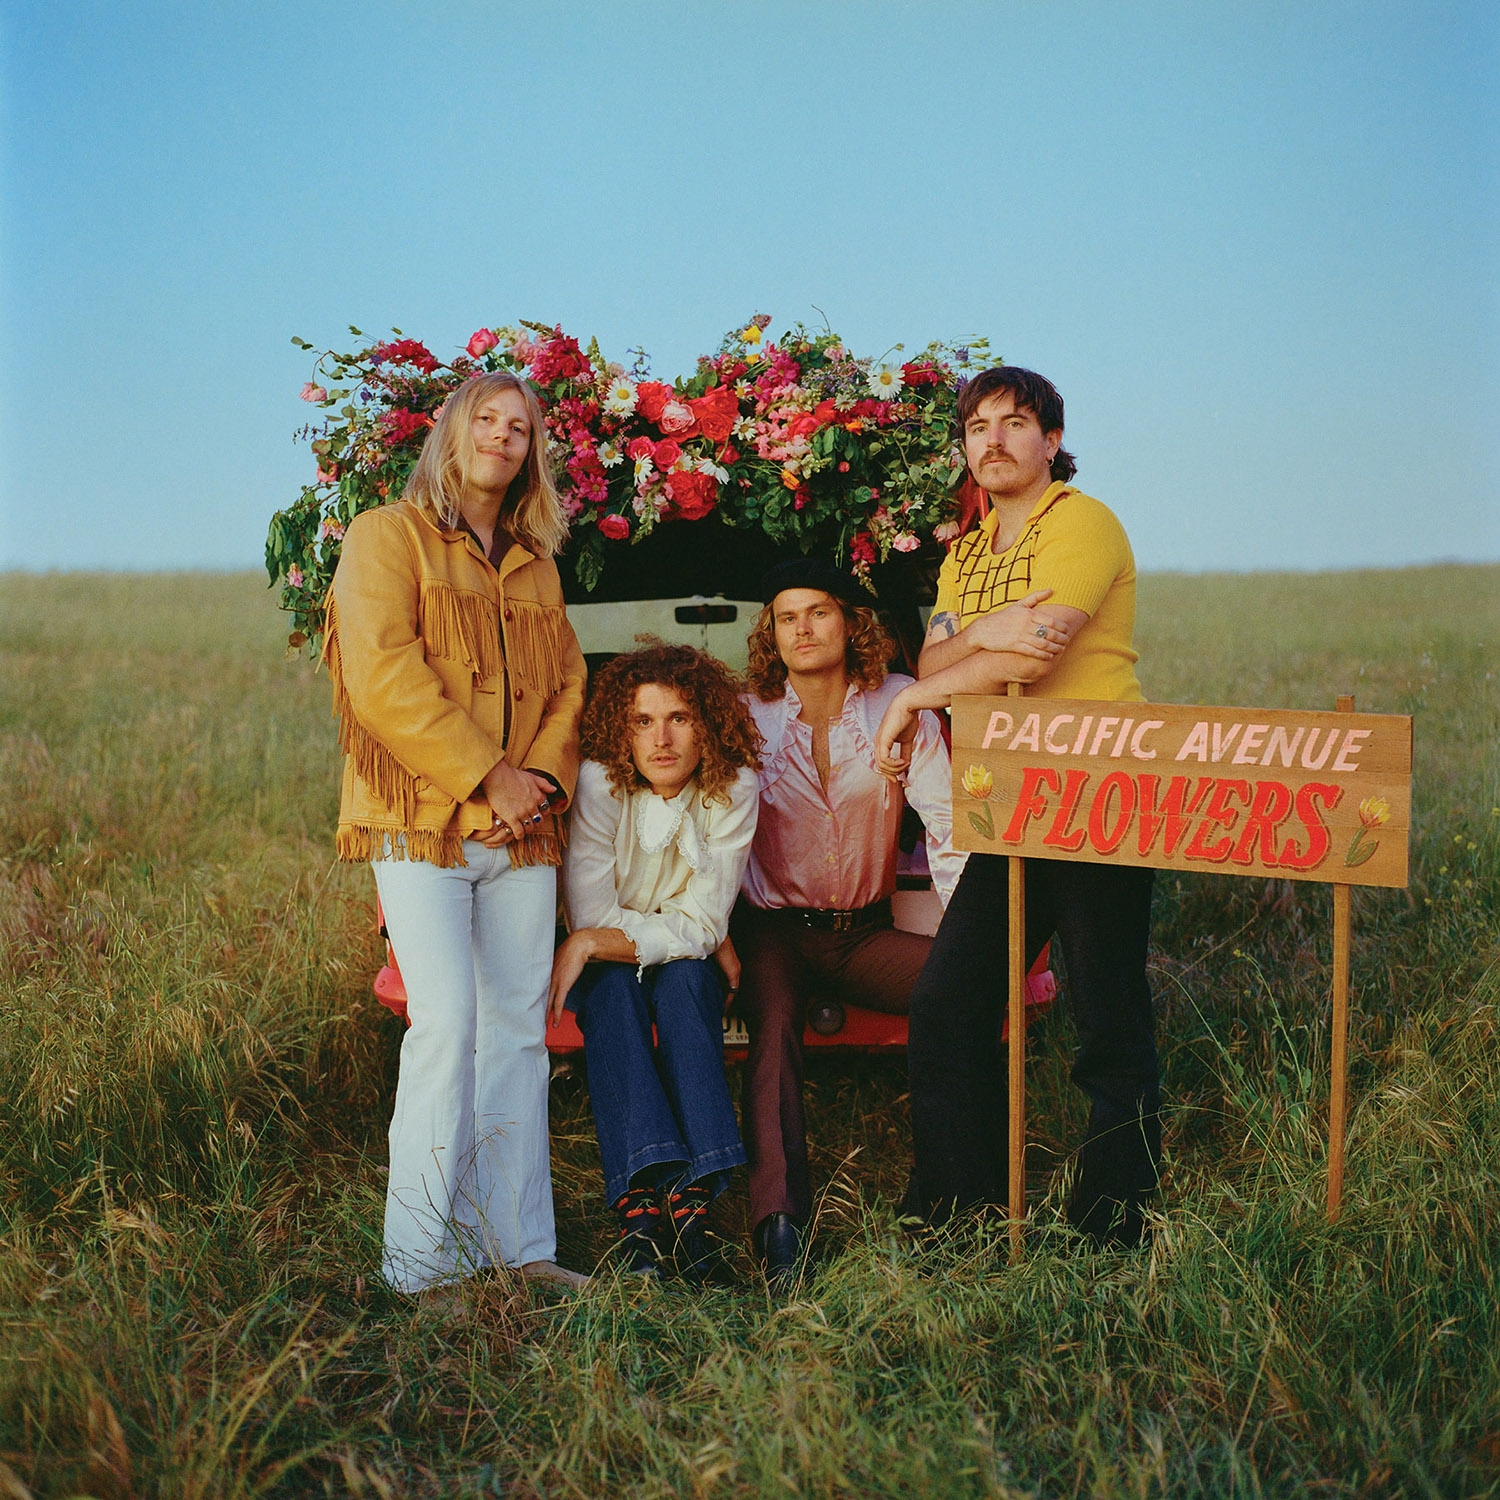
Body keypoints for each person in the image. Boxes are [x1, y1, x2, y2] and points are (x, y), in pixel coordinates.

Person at [876, 365, 1158, 1248]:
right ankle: (958, 1216)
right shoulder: (966, 553)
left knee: (1105, 1016)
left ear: (1051, 440)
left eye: (1015, 423)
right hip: (1014, 801)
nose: (993, 440)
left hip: (1099, 787)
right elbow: (935, 658)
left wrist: (928, 686)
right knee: (947, 1005)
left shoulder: (1082, 522)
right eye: (977, 427)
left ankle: (1113, 1222)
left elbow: (1035, 653)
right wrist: (976, 640)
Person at [325, 370, 588, 1295]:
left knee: (519, 1031)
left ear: (531, 454)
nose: (503, 436)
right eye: (488, 419)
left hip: (522, 832)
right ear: (451, 431)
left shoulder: (536, 564)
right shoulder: (386, 536)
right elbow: (382, 676)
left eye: (521, 428)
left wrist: (541, 779)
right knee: (444, 1025)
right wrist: (490, 776)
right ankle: (417, 1266)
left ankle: (516, 1250)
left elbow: (568, 684)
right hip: (424, 824)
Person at [732, 558, 970, 1284]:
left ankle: (947, 1198)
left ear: (850, 622)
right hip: (773, 931)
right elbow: (711, 827)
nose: (803, 629)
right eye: (787, 617)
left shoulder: (897, 702)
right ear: (771, 634)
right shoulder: (745, 715)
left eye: (818, 612)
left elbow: (946, 824)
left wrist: (968, 933)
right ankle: (778, 1228)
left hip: (864, 930)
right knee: (773, 1026)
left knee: (960, 992)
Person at [550, 642, 760, 1281]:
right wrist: (682, 929)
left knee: (686, 985)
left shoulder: (734, 788)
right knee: (614, 994)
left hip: (658, 955)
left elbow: (701, 925)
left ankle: (692, 1205)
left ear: (708, 725)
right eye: (642, 721)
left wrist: (600, 940)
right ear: (623, 730)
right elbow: (594, 912)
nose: (661, 740)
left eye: (679, 718)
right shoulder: (599, 784)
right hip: (613, 960)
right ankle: (641, 1199)